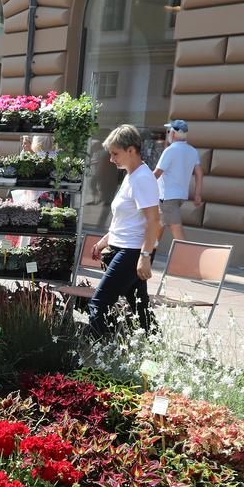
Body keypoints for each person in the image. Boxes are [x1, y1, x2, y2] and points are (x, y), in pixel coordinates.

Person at [88, 123, 161, 336]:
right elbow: (127, 221)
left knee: (98, 305)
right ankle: (155, 349)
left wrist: (145, 256)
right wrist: (103, 242)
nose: (111, 159)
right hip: (127, 248)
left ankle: (100, 351)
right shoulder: (132, 175)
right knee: (140, 307)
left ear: (131, 150)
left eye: (115, 153)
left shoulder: (142, 178)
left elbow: (154, 221)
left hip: (132, 251)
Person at [153, 119, 203, 244]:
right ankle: (147, 253)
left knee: (177, 231)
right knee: (158, 226)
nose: (168, 134)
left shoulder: (170, 150)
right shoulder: (192, 150)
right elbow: (199, 173)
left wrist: (141, 185)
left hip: (167, 197)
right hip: (180, 196)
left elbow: (157, 173)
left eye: (169, 131)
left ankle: (188, 255)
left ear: (173, 134)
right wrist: (197, 195)